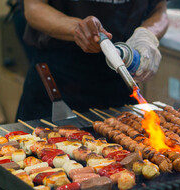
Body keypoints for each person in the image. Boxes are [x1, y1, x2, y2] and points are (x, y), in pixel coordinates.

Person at [16, 0, 169, 121]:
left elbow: (160, 9)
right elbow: (34, 6)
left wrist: (146, 35)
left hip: (119, 77)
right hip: (58, 78)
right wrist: (77, 28)